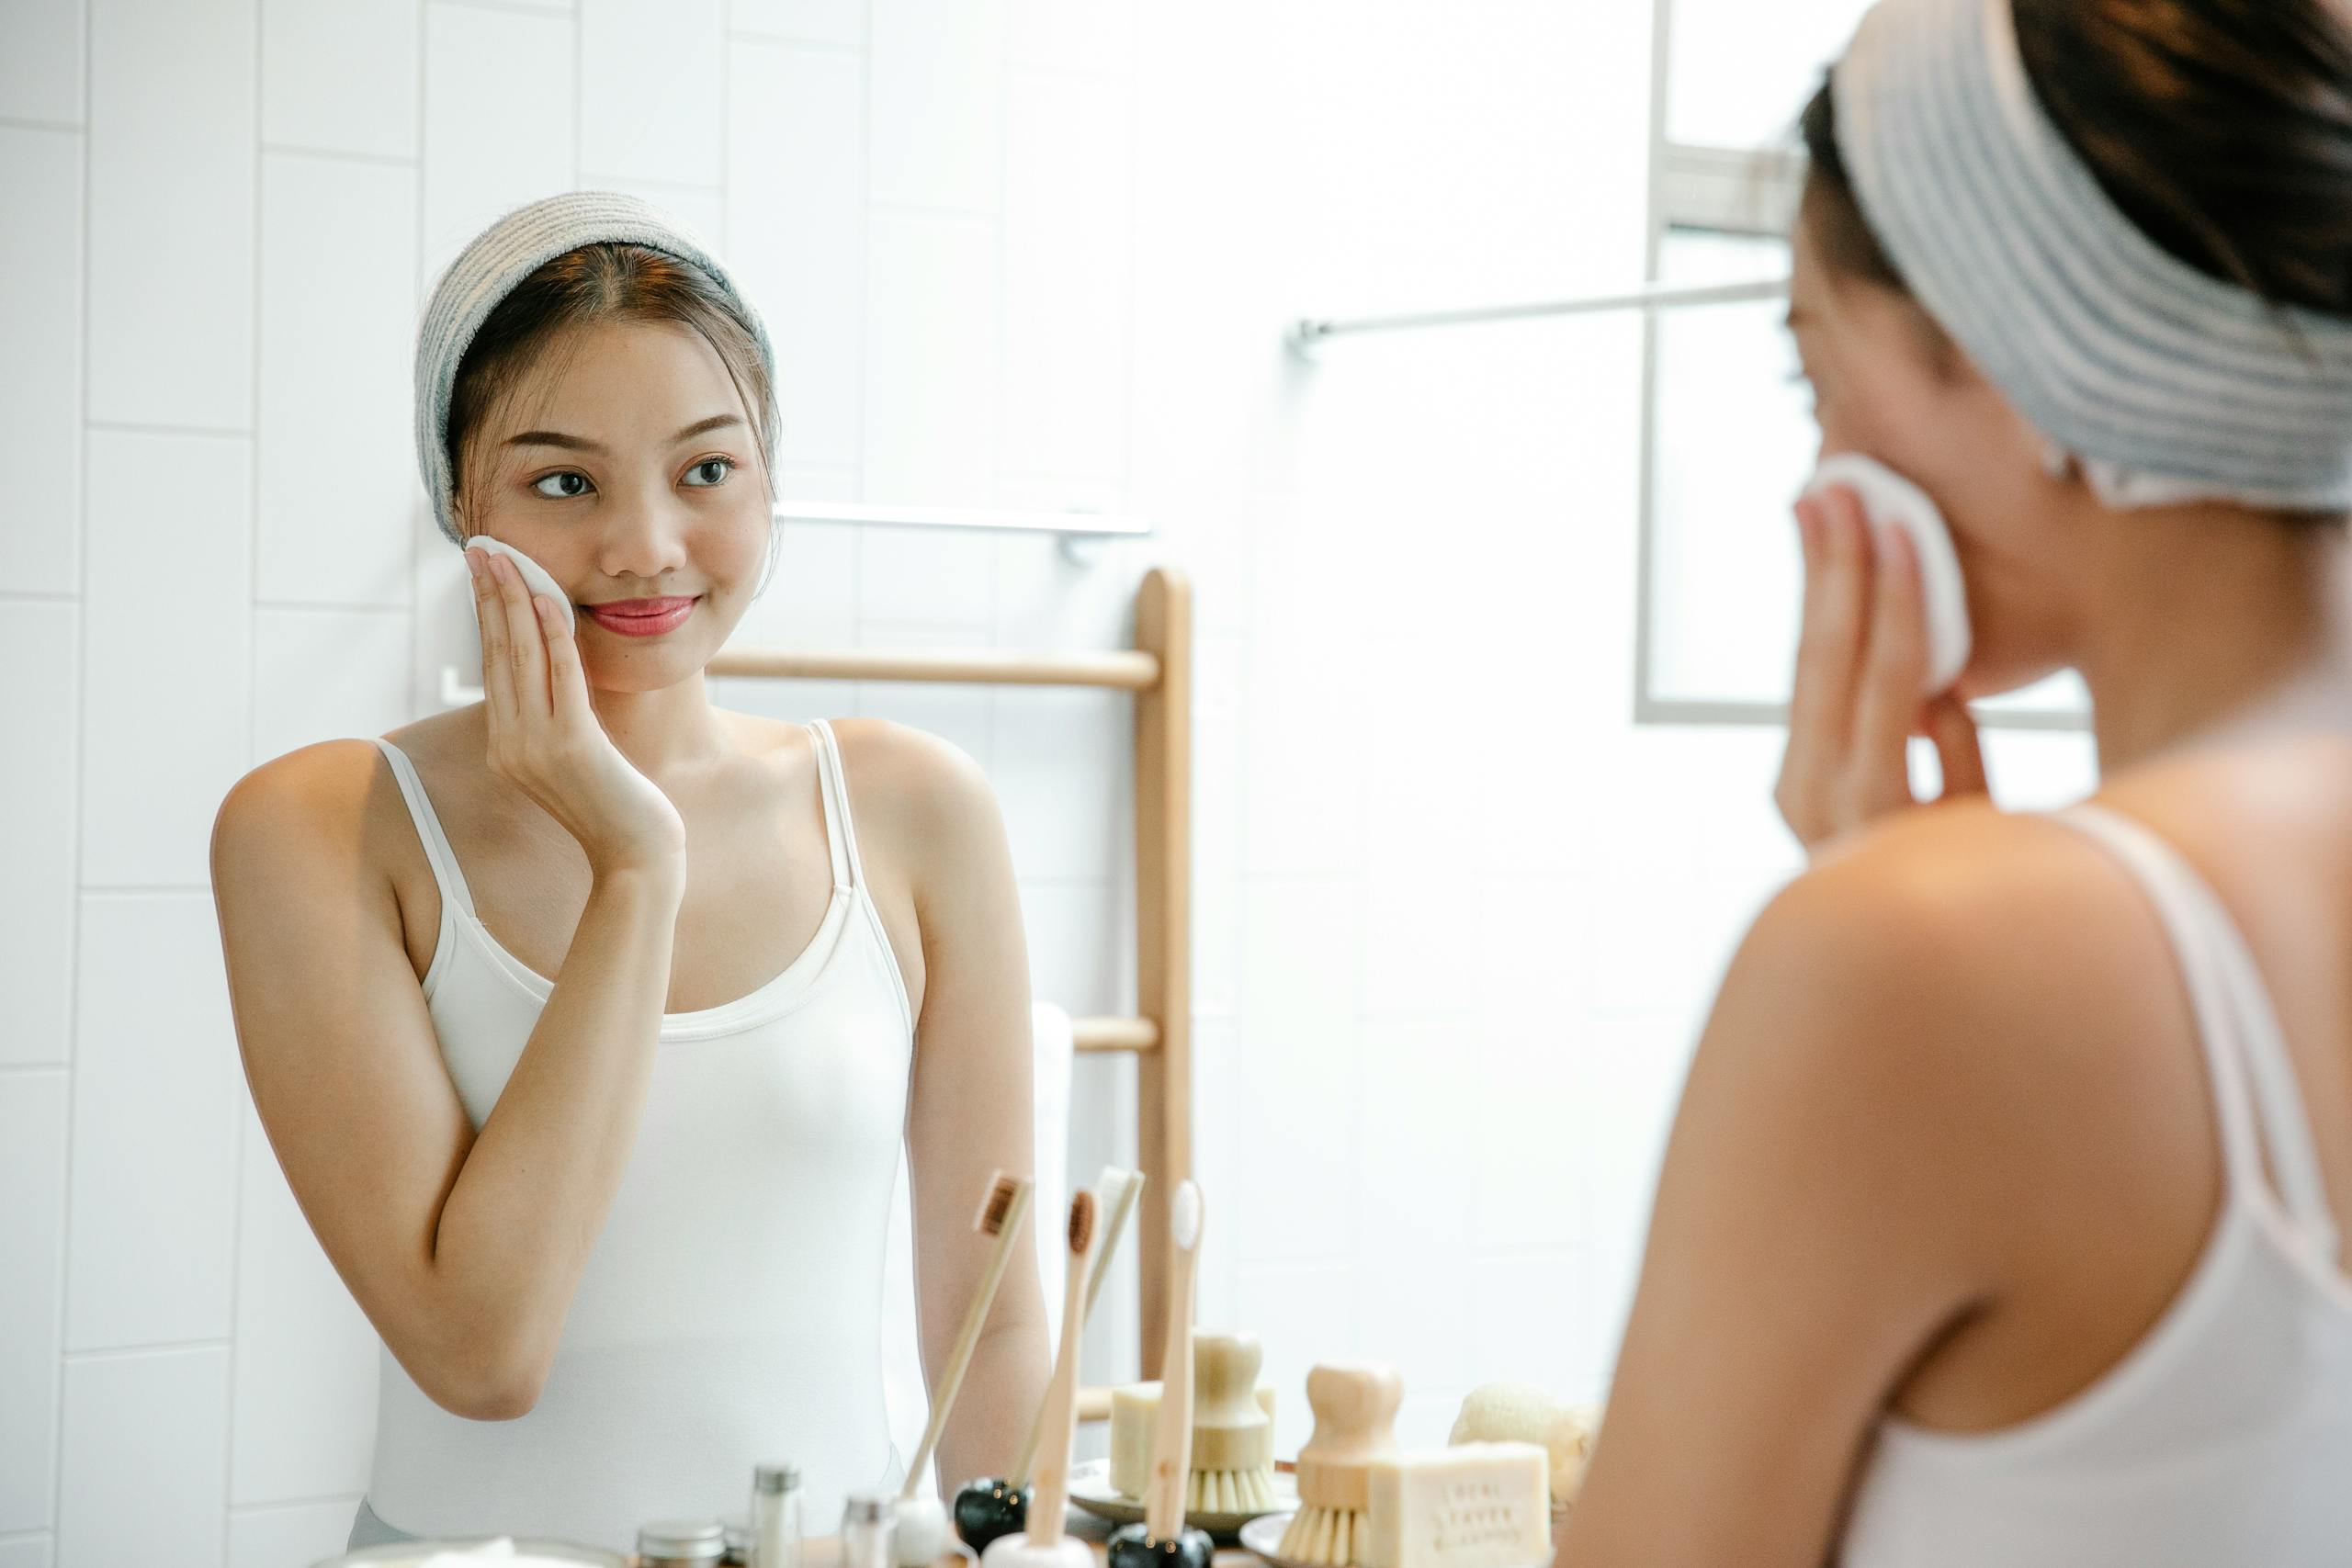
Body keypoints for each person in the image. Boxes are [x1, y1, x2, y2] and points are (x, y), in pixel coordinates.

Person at [1557, 1, 2352, 1562]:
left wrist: (1888, 924)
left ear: (2016, 347)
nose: (1819, 470)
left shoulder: (1920, 966)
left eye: (1818, 378)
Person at [209, 192, 1048, 1552]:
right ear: (458, 503)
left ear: (768, 473)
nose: (646, 545)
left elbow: (996, 1318)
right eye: (564, 482)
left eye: (706, 470)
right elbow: (483, 1356)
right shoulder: (319, 831)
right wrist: (633, 862)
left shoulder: (914, 811)